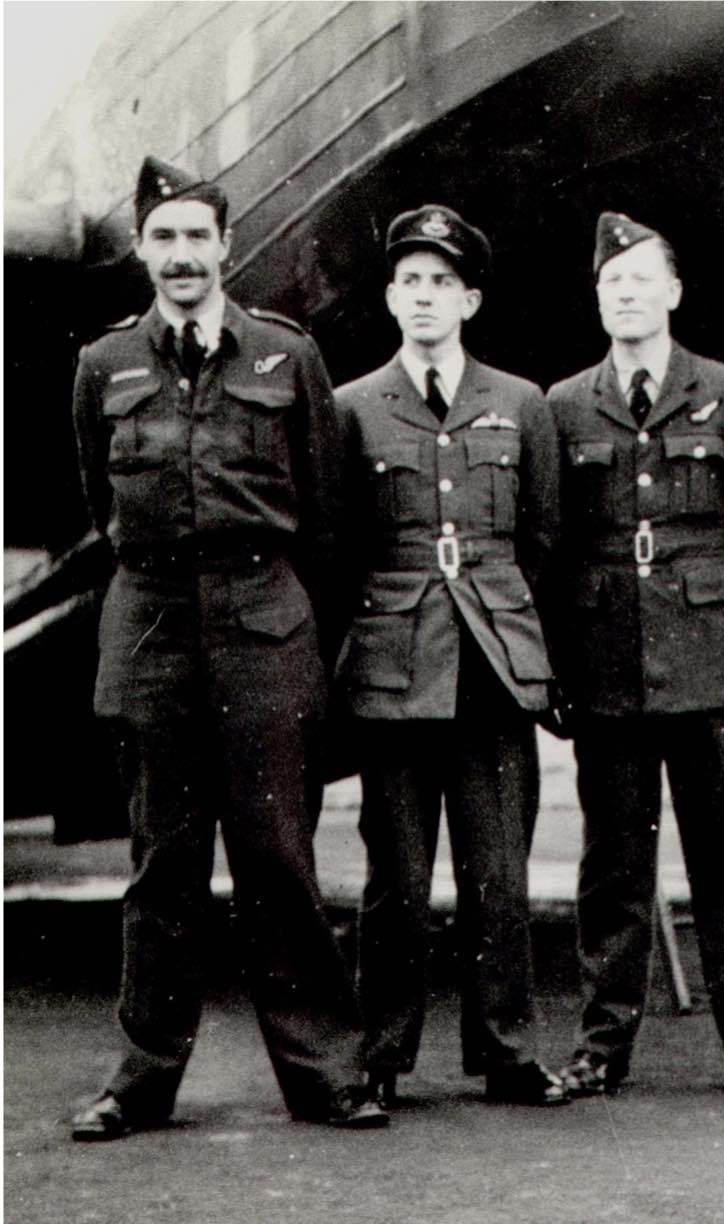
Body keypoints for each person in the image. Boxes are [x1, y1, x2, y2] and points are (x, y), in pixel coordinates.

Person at [67, 157, 385, 1139]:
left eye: (197, 236)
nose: (181, 256)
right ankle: (144, 1077)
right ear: (141, 253)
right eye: (162, 239)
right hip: (156, 622)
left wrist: (288, 626)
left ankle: (326, 1069)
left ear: (227, 248)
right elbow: (98, 501)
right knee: (162, 862)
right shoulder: (103, 366)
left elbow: (325, 519)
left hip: (264, 620)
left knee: (278, 857)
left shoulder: (286, 357)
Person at [545, 212, 724, 1098]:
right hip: (608, 658)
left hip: (712, 655)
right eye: (611, 283)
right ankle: (602, 1045)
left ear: (673, 292)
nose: (625, 294)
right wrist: (557, 668)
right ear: (598, 298)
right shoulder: (565, 403)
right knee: (613, 866)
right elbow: (552, 547)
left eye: (641, 279)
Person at [332, 206, 566, 1108]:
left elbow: (540, 537)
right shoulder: (353, 407)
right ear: (391, 299)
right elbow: (339, 544)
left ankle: (506, 1052)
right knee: (396, 875)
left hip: (493, 667)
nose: (424, 297)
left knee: (498, 875)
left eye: (442, 283)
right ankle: (383, 1058)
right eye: (409, 283)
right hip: (394, 667)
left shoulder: (521, 403)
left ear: (469, 299)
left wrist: (508, 624)